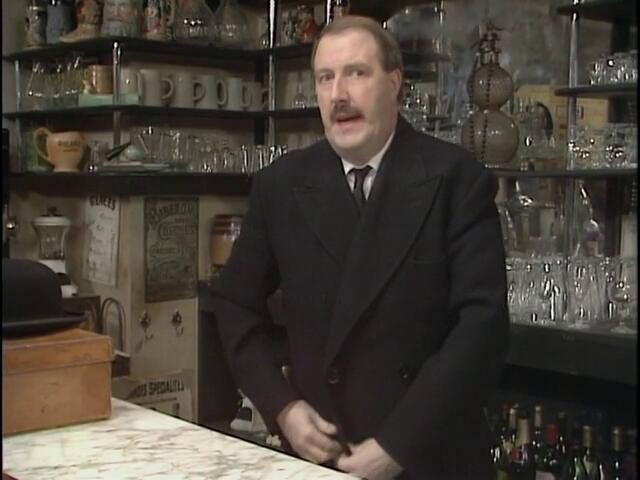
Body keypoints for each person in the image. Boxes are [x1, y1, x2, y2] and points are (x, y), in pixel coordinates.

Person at [212, 15, 509, 480]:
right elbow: (233, 304)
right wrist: (282, 406)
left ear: (394, 83)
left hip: (430, 457)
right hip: (323, 457)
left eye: (356, 73)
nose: (338, 95)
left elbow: (481, 328)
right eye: (325, 78)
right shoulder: (281, 186)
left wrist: (400, 444)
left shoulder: (456, 179)